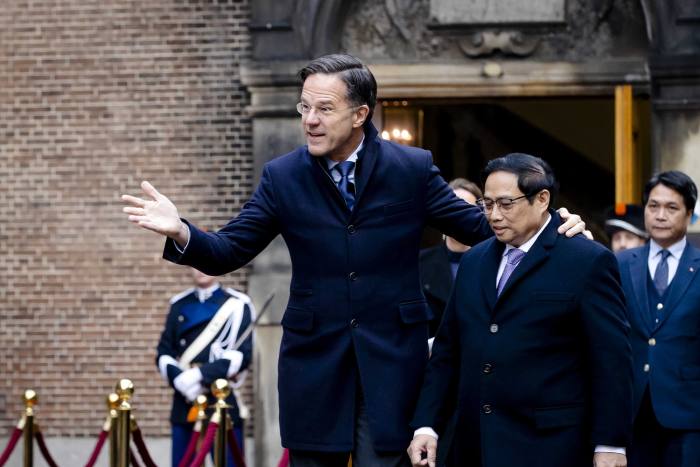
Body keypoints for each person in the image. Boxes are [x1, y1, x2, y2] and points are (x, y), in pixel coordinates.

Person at [123, 54, 586, 466]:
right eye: (304, 107)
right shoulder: (282, 177)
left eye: (325, 108)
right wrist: (182, 229)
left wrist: (551, 225)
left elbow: (482, 228)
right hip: (314, 360)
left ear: (360, 114)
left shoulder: (412, 168)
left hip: (393, 360)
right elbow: (229, 250)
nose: (310, 120)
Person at [408, 153, 632, 467]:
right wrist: (427, 424)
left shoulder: (587, 260)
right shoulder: (475, 261)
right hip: (476, 444)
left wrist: (611, 443)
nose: (494, 215)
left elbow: (612, 360)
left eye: (506, 203)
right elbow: (448, 351)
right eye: (487, 204)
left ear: (542, 199)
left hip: (551, 445)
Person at [616, 171, 700, 467]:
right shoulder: (620, 263)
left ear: (690, 214)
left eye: (671, 208)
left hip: (688, 415)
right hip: (632, 410)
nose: (660, 215)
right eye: (653, 206)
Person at [156, 267, 253, 467]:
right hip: (186, 399)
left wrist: (199, 375)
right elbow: (163, 353)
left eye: (206, 262)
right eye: (194, 263)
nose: (200, 269)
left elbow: (242, 356)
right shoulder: (179, 304)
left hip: (221, 398)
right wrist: (180, 380)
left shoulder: (237, 304)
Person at [419, 178, 482, 337]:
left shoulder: (498, 261)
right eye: (451, 210)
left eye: (466, 210)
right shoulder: (418, 263)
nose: (458, 218)